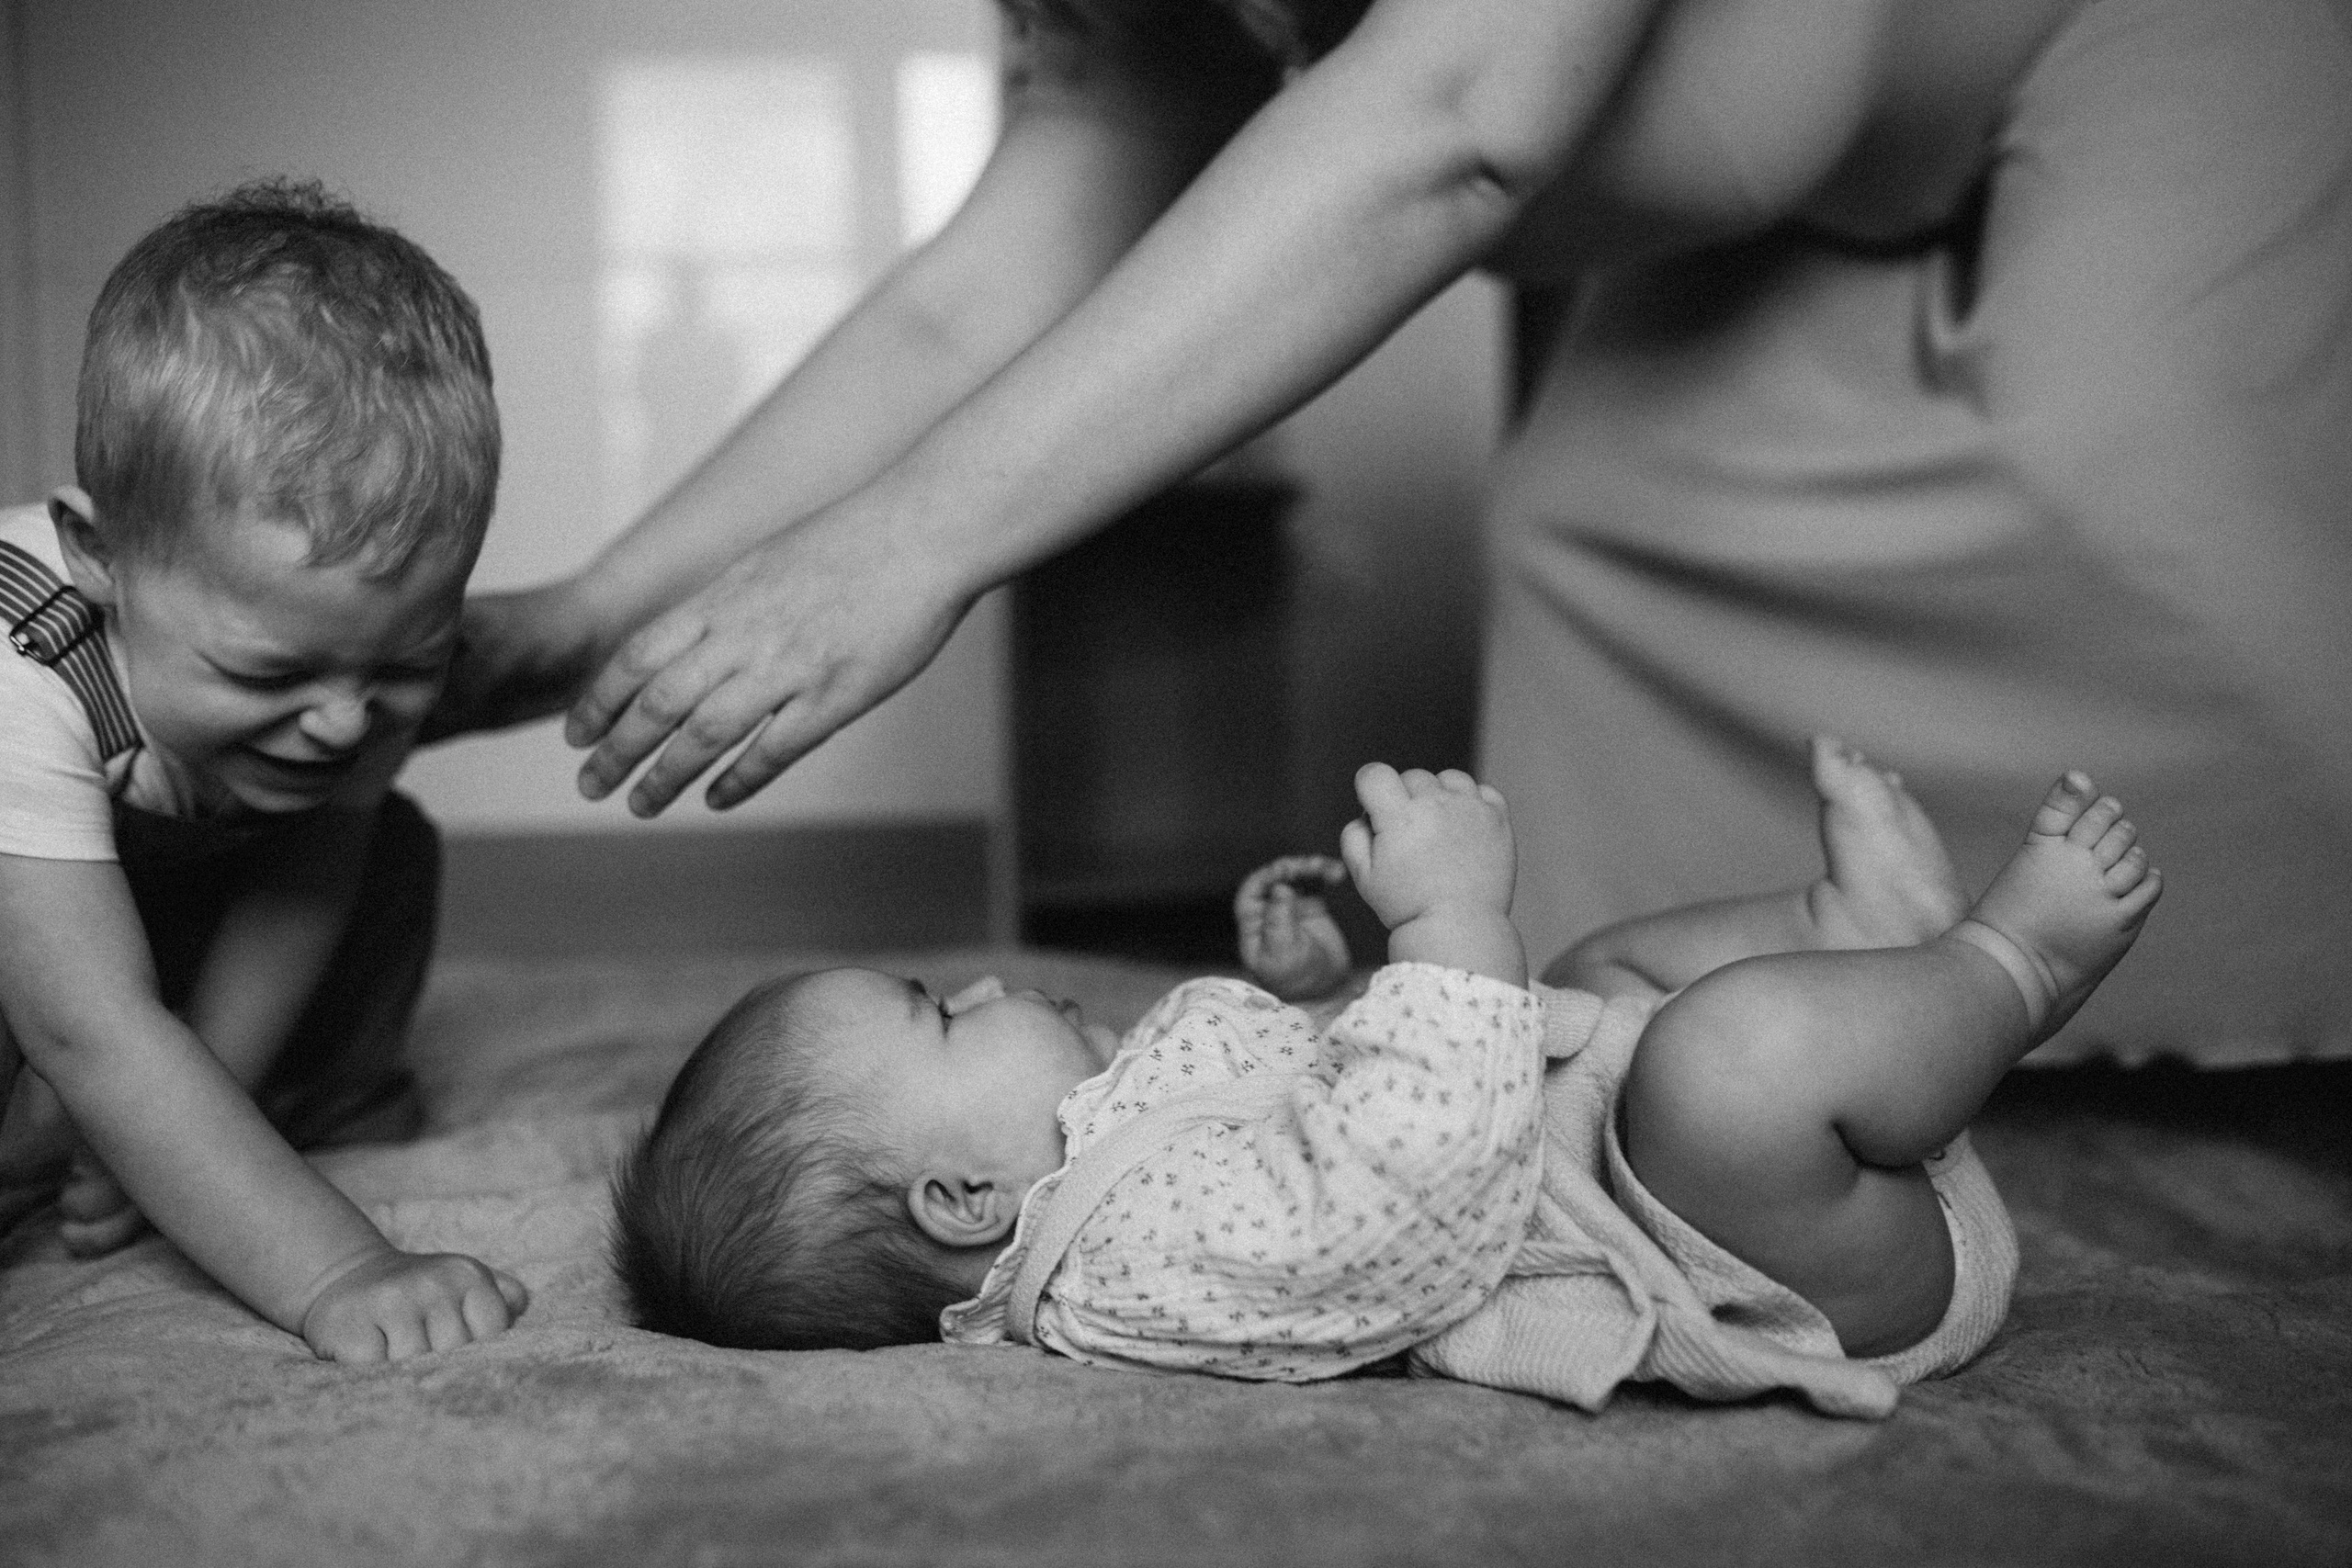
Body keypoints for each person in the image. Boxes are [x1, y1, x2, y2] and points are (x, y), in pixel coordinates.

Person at [429, 0, 2350, 1064]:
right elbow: (981, 290)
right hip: (1792, 209)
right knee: (1586, 531)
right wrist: (585, 615)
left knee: (2153, 461)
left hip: (2132, 38)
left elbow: (1459, 122)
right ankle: (1681, 1078)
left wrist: (914, 544)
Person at [612, 740, 2157, 1417]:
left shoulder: (1104, 1140)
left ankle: (1848, 942)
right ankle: (2009, 966)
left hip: (1622, 1154)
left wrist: (1310, 996)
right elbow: (1396, 1199)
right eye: (946, 1012)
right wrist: (1444, 925)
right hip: (1763, 1259)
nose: (995, 979)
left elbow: (1315, 1108)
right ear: (964, 1198)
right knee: (1719, 1062)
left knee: (1609, 974)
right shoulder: (1129, 1263)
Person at [0, 180, 530, 1362]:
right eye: (267, 673)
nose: (345, 723)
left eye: (407, 663)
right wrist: (338, 1269)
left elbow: (309, 876)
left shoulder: (345, 677)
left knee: (390, 847)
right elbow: (90, 1026)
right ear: (101, 557)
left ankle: (281, 1121)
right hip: (36, 927)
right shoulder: (16, 667)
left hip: (146, 894)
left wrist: (192, 1116)